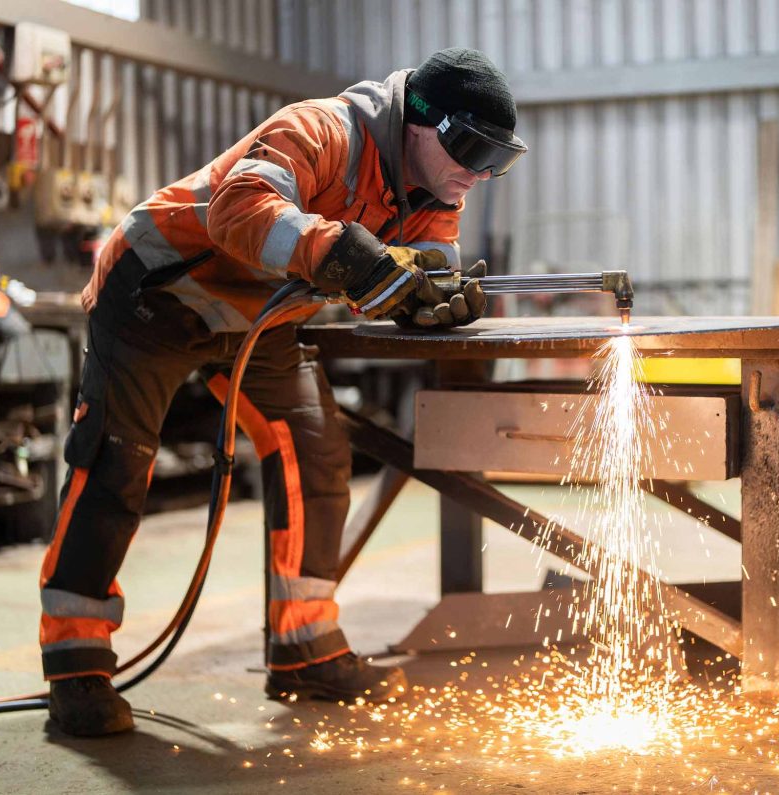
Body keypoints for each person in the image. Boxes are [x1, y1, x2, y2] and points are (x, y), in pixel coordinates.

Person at [38, 47, 527, 737]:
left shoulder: (430, 191)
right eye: (471, 150)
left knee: (315, 450)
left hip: (257, 319)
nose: (478, 175)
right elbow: (237, 210)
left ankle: (303, 647)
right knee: (115, 462)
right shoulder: (323, 130)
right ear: (421, 123)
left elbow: (425, 260)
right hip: (156, 289)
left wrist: (428, 294)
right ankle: (76, 660)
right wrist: (345, 256)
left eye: (495, 161)